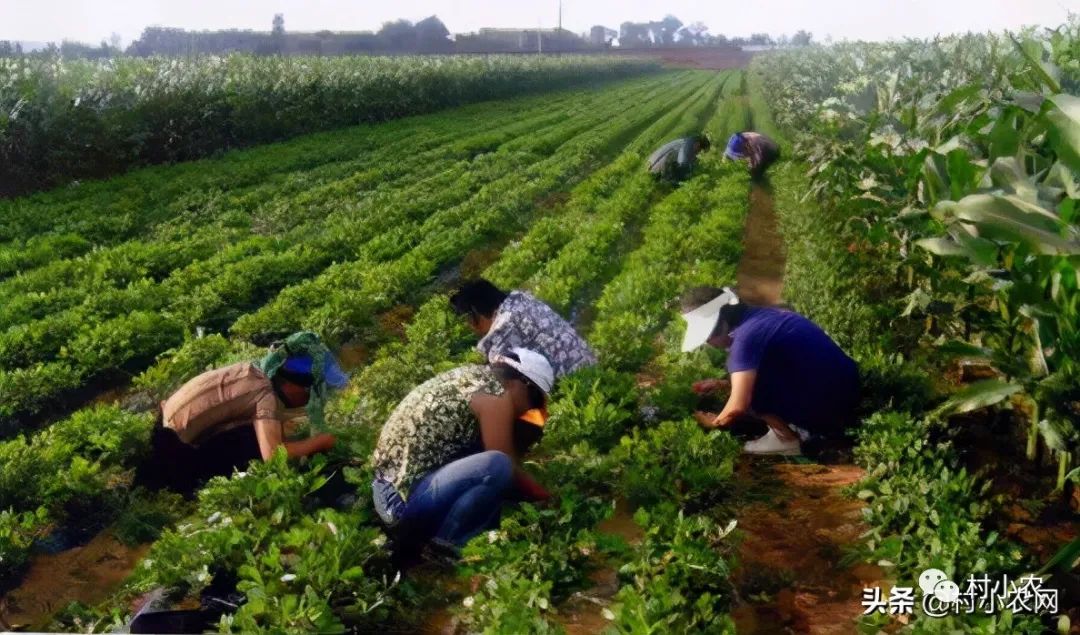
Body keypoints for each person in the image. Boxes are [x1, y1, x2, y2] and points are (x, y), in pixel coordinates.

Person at [370, 348, 554, 561]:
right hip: (402, 503)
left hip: (387, 494)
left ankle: (439, 544)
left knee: (491, 482)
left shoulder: (473, 379)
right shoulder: (496, 395)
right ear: (520, 383)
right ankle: (443, 547)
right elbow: (506, 463)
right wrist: (545, 496)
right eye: (536, 400)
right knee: (498, 465)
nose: (531, 410)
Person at [144, 331, 348, 493]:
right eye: (309, 391)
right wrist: (323, 441)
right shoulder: (265, 394)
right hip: (172, 445)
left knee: (265, 432)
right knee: (254, 447)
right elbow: (273, 456)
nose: (309, 398)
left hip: (167, 416)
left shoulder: (255, 372)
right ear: (291, 385)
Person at [680, 287, 859, 455]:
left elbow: (738, 406)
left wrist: (713, 423)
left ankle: (787, 440)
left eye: (707, 338)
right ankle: (806, 423)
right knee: (753, 378)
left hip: (830, 405)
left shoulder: (744, 341)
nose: (708, 344)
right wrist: (723, 384)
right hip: (848, 386)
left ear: (719, 328)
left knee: (753, 394)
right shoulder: (759, 315)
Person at [450, 279, 596, 378]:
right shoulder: (523, 301)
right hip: (592, 364)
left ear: (475, 313)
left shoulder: (500, 342)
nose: (467, 325)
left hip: (575, 388)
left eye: (465, 319)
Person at [647, 134, 711, 183]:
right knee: (657, 180)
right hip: (658, 165)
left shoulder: (689, 144)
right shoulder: (686, 146)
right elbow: (682, 163)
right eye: (699, 149)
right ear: (697, 144)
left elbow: (690, 161)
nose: (698, 152)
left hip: (664, 164)